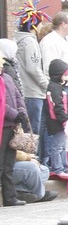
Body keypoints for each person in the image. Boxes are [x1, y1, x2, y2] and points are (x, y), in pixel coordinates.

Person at [13, 1, 51, 163]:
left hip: (26, 91)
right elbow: (33, 68)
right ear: (33, 25)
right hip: (33, 92)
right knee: (33, 131)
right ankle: (34, 163)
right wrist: (46, 84)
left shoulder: (18, 41)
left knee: (32, 130)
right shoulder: (30, 42)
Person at [1, 50, 28, 206]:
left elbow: (18, 96)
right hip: (3, 125)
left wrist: (22, 112)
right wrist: (14, 114)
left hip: (11, 126)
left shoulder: (8, 78)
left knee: (9, 164)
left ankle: (10, 197)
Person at [39, 11, 68, 97]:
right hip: (63, 88)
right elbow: (49, 67)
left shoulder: (67, 39)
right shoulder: (50, 41)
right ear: (63, 24)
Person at [43, 58, 68, 181]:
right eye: (64, 75)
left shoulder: (56, 87)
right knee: (57, 146)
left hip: (59, 121)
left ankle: (64, 167)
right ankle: (58, 168)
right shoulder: (55, 88)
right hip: (58, 122)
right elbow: (58, 107)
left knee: (62, 145)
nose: (66, 78)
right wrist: (65, 121)